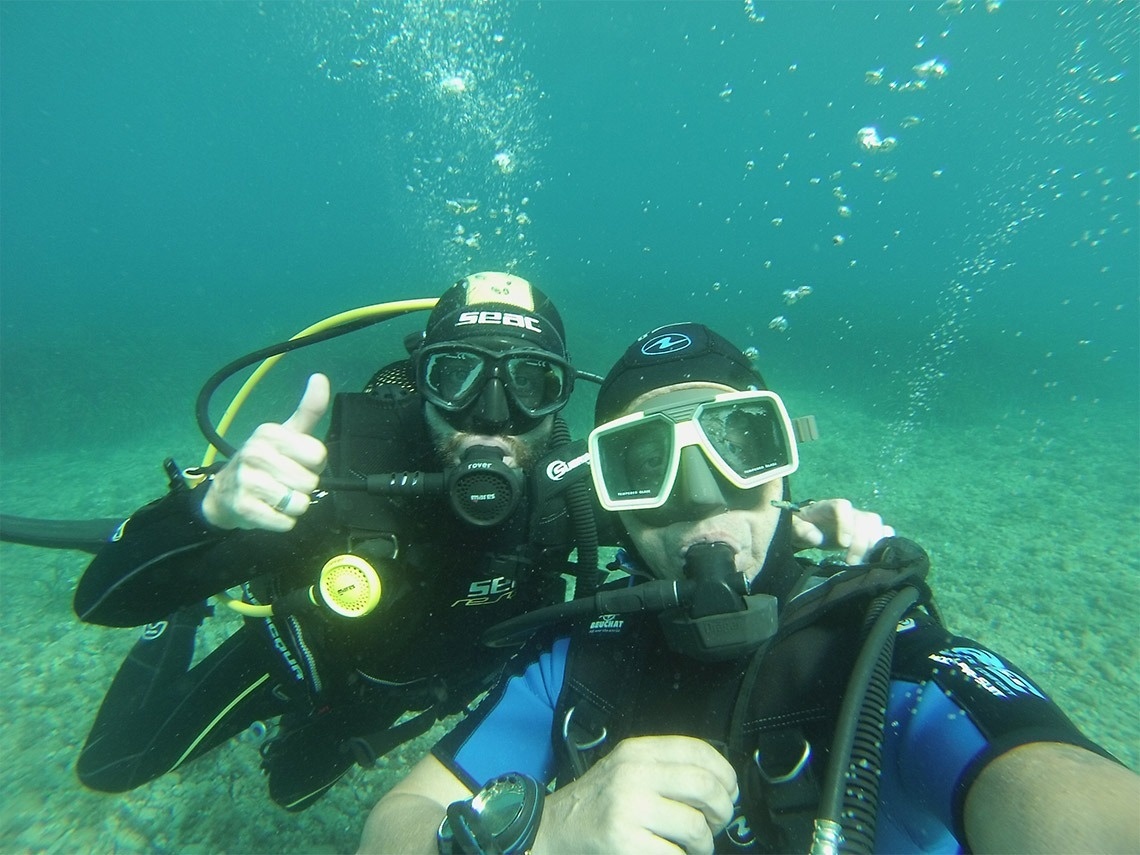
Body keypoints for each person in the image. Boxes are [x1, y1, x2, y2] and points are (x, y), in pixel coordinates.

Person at [71, 276, 885, 813]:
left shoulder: (571, 493)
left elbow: (679, 496)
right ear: (418, 379)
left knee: (290, 791)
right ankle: (182, 622)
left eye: (530, 385)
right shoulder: (336, 485)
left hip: (406, 700)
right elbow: (100, 597)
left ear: (558, 400)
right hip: (309, 660)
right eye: (456, 377)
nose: (489, 416)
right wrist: (210, 516)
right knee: (116, 765)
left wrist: (797, 516)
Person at [358, 322, 1140, 854]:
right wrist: (538, 832)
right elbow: (393, 824)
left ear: (783, 467)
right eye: (644, 463)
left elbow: (1061, 791)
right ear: (609, 499)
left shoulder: (875, 650)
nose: (701, 496)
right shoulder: (574, 661)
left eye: (738, 445)